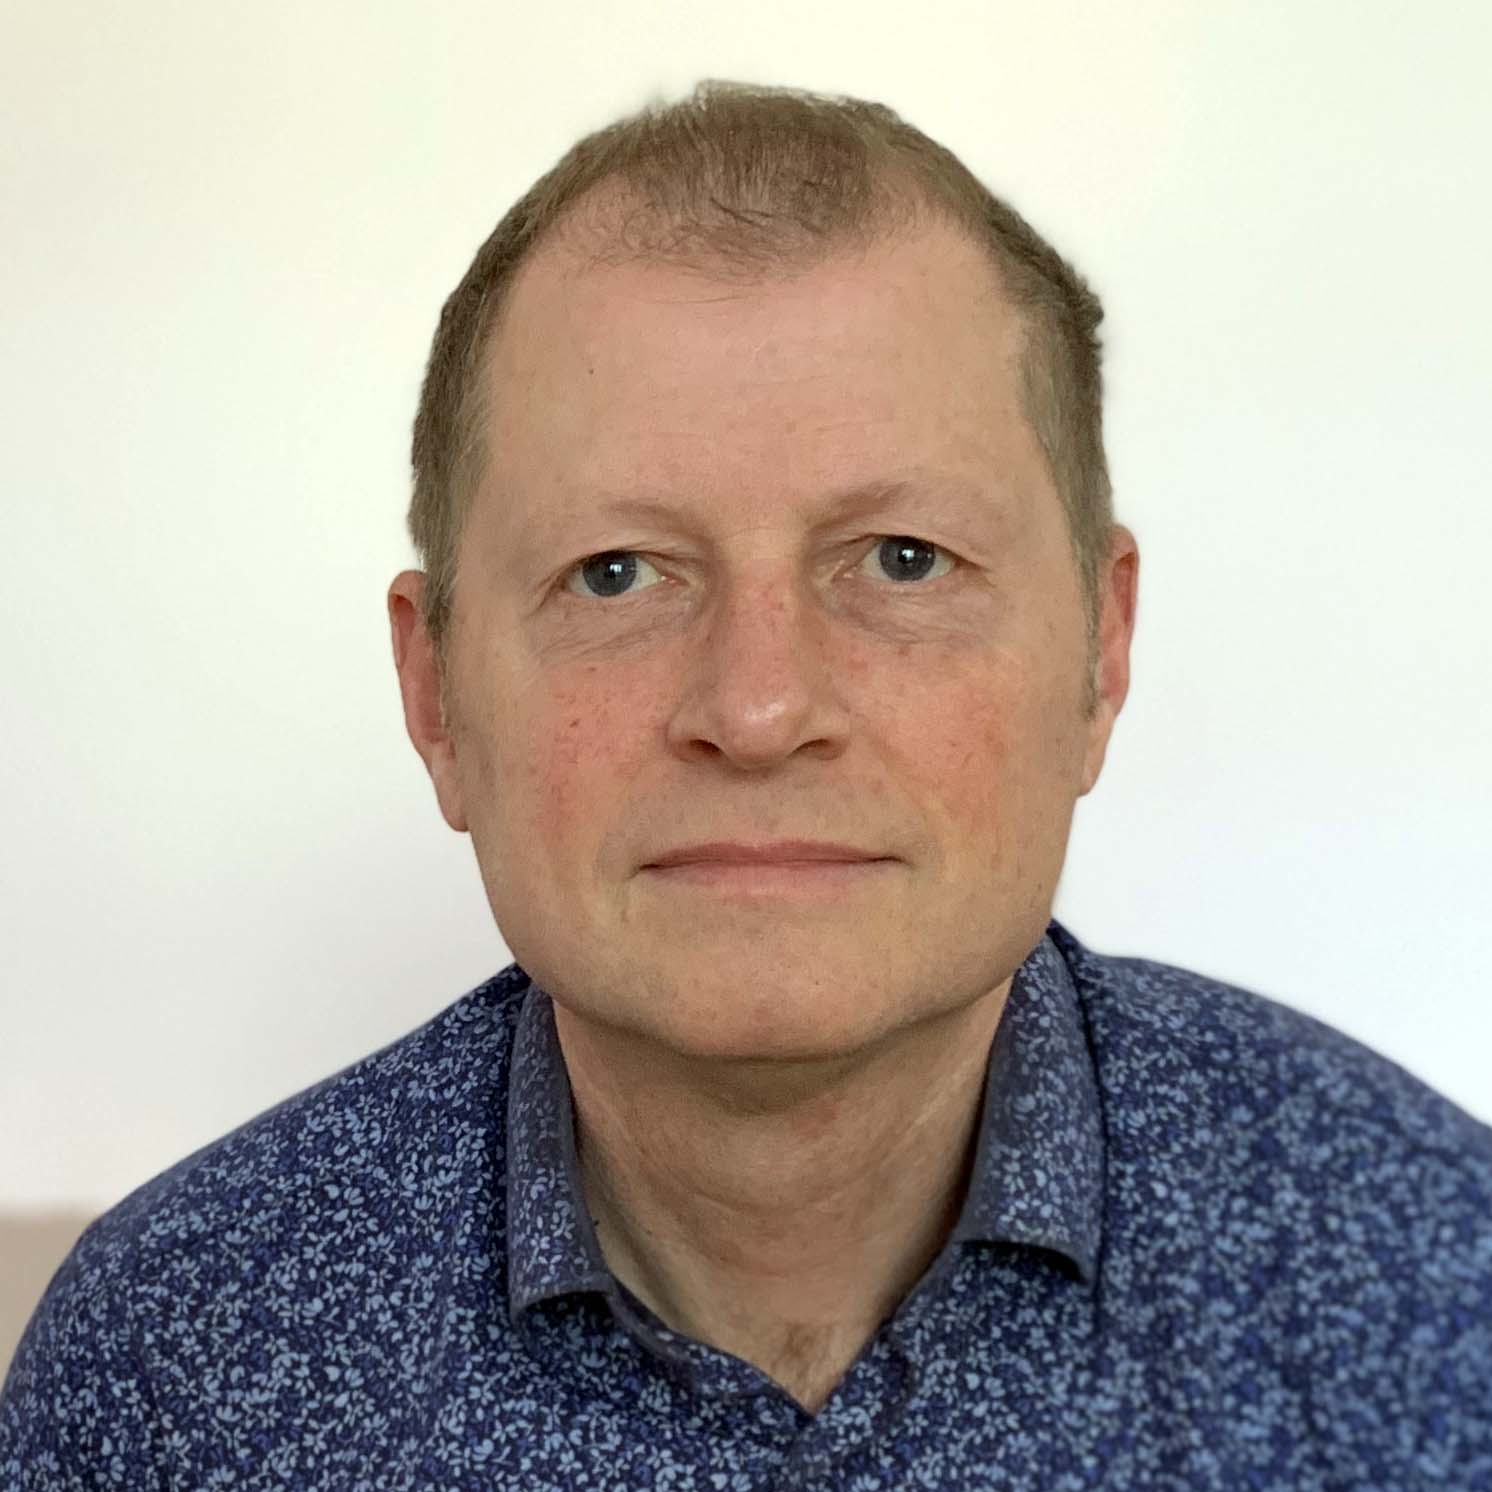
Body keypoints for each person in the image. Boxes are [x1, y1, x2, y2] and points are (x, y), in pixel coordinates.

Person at [3, 79, 1489, 1491]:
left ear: (1100, 652)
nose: (760, 708)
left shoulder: (1440, 1299)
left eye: (904, 560)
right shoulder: (163, 1383)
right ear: (436, 694)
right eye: (616, 573)